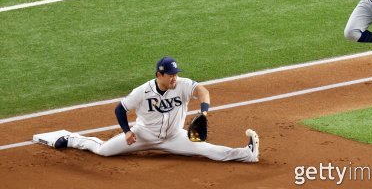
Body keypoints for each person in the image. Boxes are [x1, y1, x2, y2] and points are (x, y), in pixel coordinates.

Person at [53, 56, 260, 162]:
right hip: (142, 136)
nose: (174, 78)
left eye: (175, 73)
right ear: (159, 75)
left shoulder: (183, 85)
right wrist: (127, 132)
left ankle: (248, 153)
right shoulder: (142, 91)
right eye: (170, 74)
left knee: (208, 150)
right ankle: (72, 139)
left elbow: (203, 91)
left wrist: (204, 111)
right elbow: (120, 109)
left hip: (174, 137)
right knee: (104, 151)